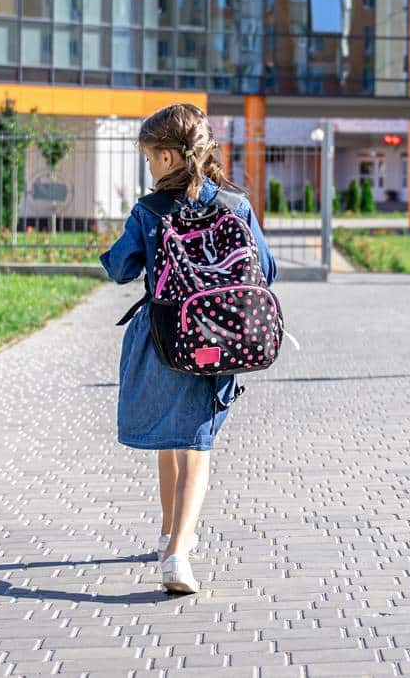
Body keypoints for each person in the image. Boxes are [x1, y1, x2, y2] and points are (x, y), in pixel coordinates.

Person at [99, 103, 276, 594]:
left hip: (165, 338)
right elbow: (268, 268)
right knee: (196, 443)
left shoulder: (149, 211)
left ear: (171, 157)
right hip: (217, 339)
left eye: (151, 157)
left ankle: (171, 542)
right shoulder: (235, 205)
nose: (149, 166)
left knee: (171, 439)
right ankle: (177, 547)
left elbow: (120, 269)